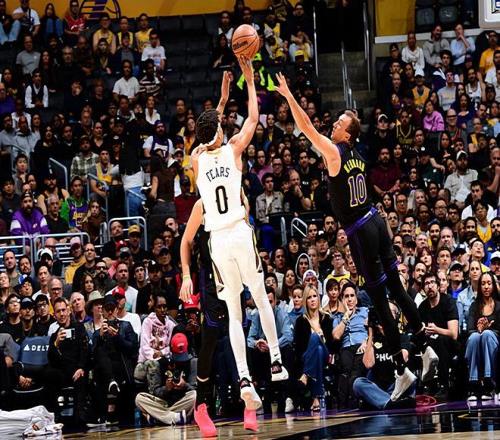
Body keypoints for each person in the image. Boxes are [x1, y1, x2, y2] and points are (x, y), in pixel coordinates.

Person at [275, 72, 431, 402]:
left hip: (361, 229)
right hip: (376, 221)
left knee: (379, 301)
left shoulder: (335, 153)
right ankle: (425, 346)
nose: (333, 125)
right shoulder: (358, 156)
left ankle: (402, 372)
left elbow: (306, 127)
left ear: (348, 134)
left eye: (339, 123)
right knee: (397, 288)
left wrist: (288, 95)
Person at [191, 61, 288, 414]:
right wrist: (247, 79)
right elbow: (253, 117)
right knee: (260, 298)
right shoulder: (233, 148)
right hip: (238, 232)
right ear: (219, 130)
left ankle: (245, 379)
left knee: (233, 313)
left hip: (217, 241)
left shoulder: (196, 159)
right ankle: (275, 361)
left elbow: (206, 130)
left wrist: (220, 100)